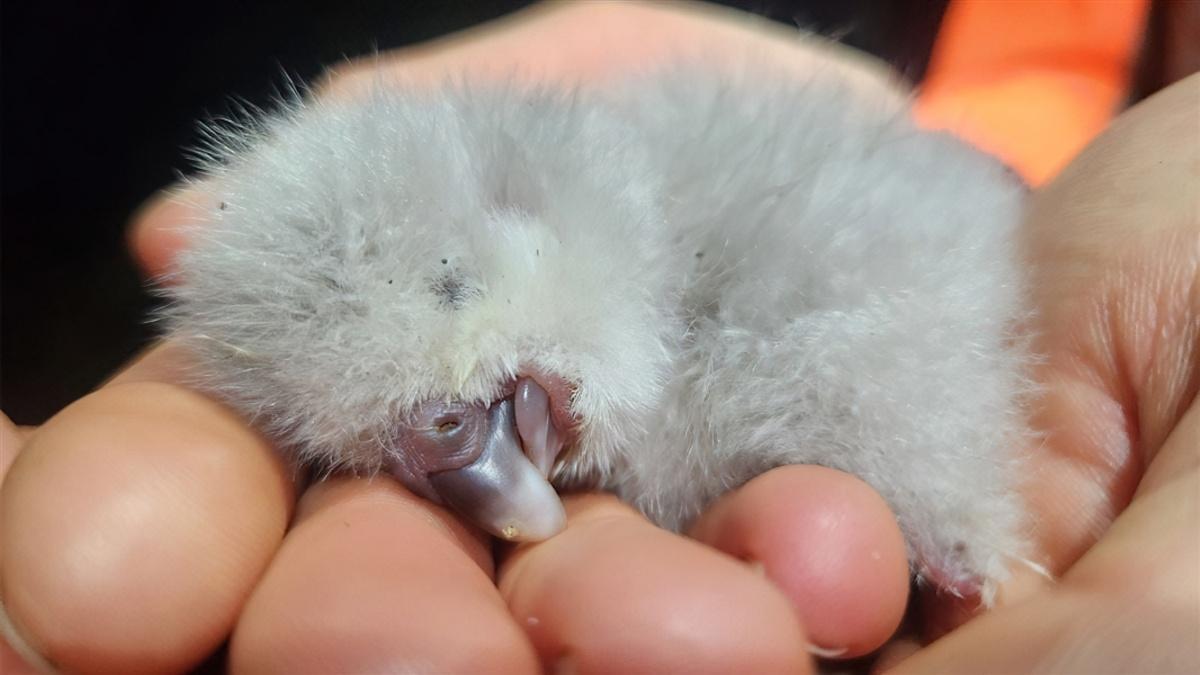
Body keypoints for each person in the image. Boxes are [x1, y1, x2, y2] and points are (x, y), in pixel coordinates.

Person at [2, 3, 1196, 673]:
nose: (497, 481)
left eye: (464, 422)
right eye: (422, 451)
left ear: (525, 211)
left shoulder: (757, 232)